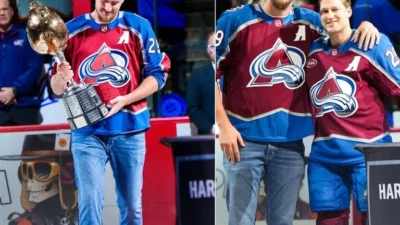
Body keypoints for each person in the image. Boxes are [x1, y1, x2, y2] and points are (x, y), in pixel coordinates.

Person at [215, 0, 379, 224]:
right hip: (243, 142)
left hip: (290, 144)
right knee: (240, 221)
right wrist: (224, 126)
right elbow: (210, 71)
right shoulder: (235, 20)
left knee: (282, 221)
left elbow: (343, 33)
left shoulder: (311, 21)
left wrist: (366, 25)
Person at [48, 0, 171, 224]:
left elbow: (158, 76)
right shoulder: (70, 31)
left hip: (130, 129)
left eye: (114, 3)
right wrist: (61, 77)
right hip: (87, 132)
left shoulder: (138, 26)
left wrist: (126, 99)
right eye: (104, 1)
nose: (108, 8)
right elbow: (56, 88)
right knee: (89, 203)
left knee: (132, 207)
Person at [306, 0, 400, 224]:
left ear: (349, 10)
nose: (330, 16)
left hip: (369, 152)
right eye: (324, 11)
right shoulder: (313, 51)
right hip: (325, 156)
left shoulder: (372, 44)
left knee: (376, 218)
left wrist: (367, 25)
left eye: (335, 9)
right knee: (329, 220)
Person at [0, 0, 44, 126]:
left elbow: (35, 68)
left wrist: (14, 90)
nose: (2, 13)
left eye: (5, 9)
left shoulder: (28, 37)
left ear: (12, 12)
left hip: (25, 108)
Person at [186, 31, 216, 135]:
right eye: (213, 46)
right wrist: (210, 128)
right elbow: (193, 107)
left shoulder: (239, 73)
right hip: (209, 137)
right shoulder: (197, 75)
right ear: (208, 50)